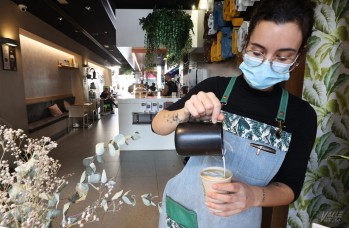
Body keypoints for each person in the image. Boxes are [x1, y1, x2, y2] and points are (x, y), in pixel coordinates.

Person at [151, 0, 317, 227]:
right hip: (184, 211)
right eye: (258, 51)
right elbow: (157, 125)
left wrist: (253, 196)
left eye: (282, 57)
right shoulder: (215, 88)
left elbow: (289, 187)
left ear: (298, 57)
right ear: (245, 42)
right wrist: (185, 112)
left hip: (239, 220)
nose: (266, 63)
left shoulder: (301, 116)